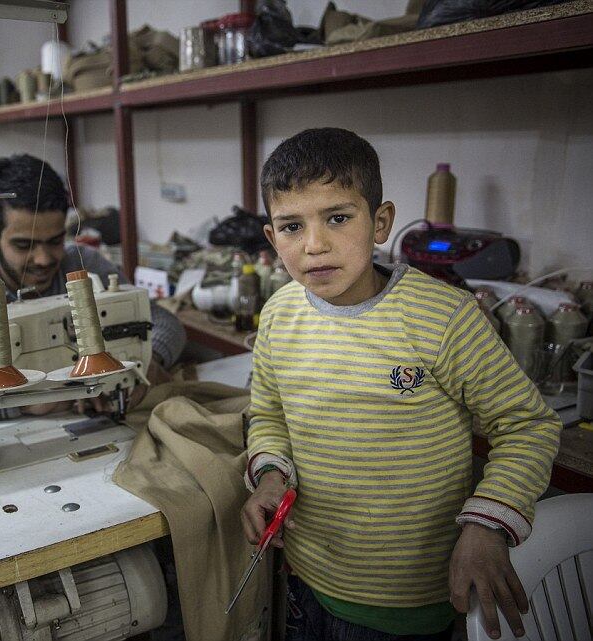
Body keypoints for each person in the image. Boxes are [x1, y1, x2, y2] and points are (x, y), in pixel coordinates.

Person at [240, 128, 561, 641]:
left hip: (410, 598)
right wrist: (272, 476)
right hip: (307, 575)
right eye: (292, 226)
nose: (315, 245)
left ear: (381, 222)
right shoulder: (279, 315)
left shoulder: (443, 318)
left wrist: (486, 525)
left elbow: (527, 425)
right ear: (271, 237)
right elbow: (269, 415)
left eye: (338, 218)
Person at [0, 154, 186, 412]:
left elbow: (165, 324)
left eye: (54, 241)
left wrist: (146, 360)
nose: (43, 259)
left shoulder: (84, 265)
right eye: (24, 245)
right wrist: (25, 404)